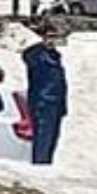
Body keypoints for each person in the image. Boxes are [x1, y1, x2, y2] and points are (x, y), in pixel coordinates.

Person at [21, 26, 69, 166]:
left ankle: (46, 165)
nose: (51, 40)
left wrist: (63, 106)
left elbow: (61, 83)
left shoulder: (56, 56)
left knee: (52, 140)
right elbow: (26, 55)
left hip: (56, 105)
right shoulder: (37, 56)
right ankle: (39, 167)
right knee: (42, 140)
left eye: (54, 37)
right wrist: (40, 45)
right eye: (49, 37)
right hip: (42, 104)